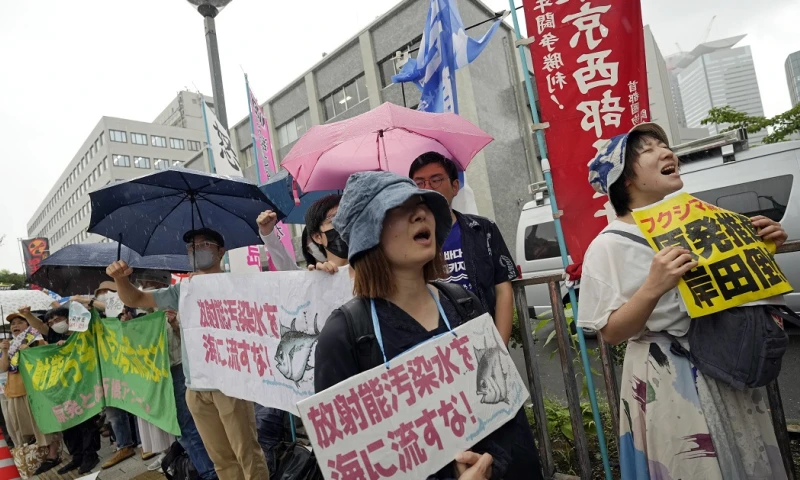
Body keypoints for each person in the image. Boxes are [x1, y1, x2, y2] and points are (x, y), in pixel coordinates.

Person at [579, 123, 788, 479]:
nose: (667, 153)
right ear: (624, 180)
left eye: (664, 144)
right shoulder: (607, 245)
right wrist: (652, 287)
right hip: (668, 380)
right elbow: (611, 333)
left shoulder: (701, 221)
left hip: (726, 364)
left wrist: (764, 247)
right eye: (648, 150)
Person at [315, 171, 543, 479]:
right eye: (399, 208)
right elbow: (348, 464)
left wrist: (490, 465)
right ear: (368, 233)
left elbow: (507, 414)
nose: (421, 213)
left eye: (423, 205)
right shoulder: (344, 335)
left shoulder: (463, 304)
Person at [106, 227, 269, 480]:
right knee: (221, 459)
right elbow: (136, 298)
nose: (197, 251)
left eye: (204, 245)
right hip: (195, 388)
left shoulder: (236, 284)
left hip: (230, 383)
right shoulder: (183, 291)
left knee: (246, 452)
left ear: (220, 251)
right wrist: (120, 279)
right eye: (192, 248)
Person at [409, 153, 517, 345]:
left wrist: (500, 347)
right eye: (419, 182)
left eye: (435, 180)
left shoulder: (483, 230)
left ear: (455, 187)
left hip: (480, 336)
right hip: (432, 346)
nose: (427, 188)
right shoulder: (406, 240)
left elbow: (503, 289)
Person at [137, 276, 219, 479]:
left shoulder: (178, 300)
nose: (148, 286)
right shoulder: (142, 314)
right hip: (159, 375)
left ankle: (209, 473)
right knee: (182, 428)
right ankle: (207, 468)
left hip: (180, 369)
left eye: (151, 283)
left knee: (188, 427)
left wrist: (174, 323)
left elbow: (193, 337)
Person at [18, 306, 102, 474]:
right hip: (64, 387)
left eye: (57, 320)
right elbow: (41, 327)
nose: (54, 324)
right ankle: (77, 456)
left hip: (83, 383)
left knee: (86, 421)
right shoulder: (55, 336)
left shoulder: (82, 331)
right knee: (68, 423)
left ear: (69, 318)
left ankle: (90, 455)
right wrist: (27, 315)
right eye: (51, 322)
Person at [0, 312, 61, 474]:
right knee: (24, 428)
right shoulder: (9, 344)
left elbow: (46, 357)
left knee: (42, 423)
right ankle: (38, 455)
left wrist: (29, 351)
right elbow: (3, 368)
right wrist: (5, 351)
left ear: (28, 326)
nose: (15, 326)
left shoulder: (36, 340)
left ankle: (53, 454)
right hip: (14, 391)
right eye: (12, 324)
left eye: (20, 322)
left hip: (34, 390)